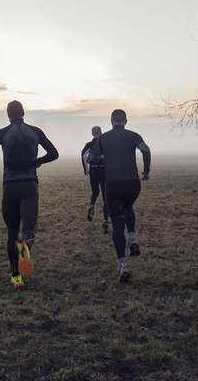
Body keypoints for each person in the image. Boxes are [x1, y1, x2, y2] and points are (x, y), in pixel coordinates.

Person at [0, 100, 59, 288]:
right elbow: (54, 153)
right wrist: (38, 161)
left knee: (11, 231)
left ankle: (16, 276)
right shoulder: (35, 131)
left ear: (7, 115)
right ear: (23, 113)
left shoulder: (2, 133)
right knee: (28, 230)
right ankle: (24, 247)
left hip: (9, 186)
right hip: (29, 186)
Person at [87, 109, 150, 283]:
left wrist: (103, 158)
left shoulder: (103, 138)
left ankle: (123, 264)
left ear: (111, 121)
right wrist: (146, 171)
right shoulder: (134, 135)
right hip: (132, 184)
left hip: (113, 185)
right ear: (126, 121)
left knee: (117, 221)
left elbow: (90, 158)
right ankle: (132, 236)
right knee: (129, 206)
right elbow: (146, 151)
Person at [81, 125, 109, 233]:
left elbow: (83, 155)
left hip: (93, 171)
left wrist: (86, 170)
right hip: (104, 171)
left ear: (92, 134)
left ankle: (92, 206)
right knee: (105, 197)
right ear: (101, 132)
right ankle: (105, 221)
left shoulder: (89, 144)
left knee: (95, 192)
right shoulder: (105, 144)